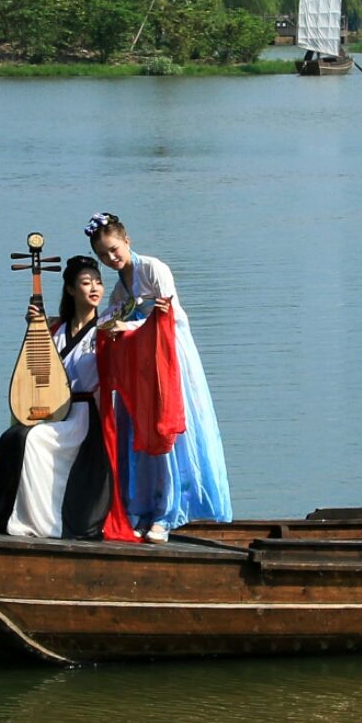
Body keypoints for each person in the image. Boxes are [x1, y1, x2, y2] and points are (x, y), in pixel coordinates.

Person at [87, 213, 233, 541]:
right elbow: (110, 317)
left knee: (165, 428)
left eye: (113, 249)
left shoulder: (153, 268)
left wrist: (129, 326)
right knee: (138, 432)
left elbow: (168, 318)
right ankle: (143, 507)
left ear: (127, 241)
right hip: (144, 362)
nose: (110, 258)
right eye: (102, 255)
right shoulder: (120, 285)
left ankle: (168, 513)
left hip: (169, 356)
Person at [0, 256, 112, 539]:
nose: (94, 288)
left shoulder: (106, 329)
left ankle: (42, 524)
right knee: (12, 436)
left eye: (98, 282)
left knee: (33, 439)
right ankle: (5, 516)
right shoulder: (56, 330)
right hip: (57, 411)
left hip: (86, 417)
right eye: (86, 283)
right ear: (70, 289)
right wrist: (34, 328)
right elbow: (35, 369)